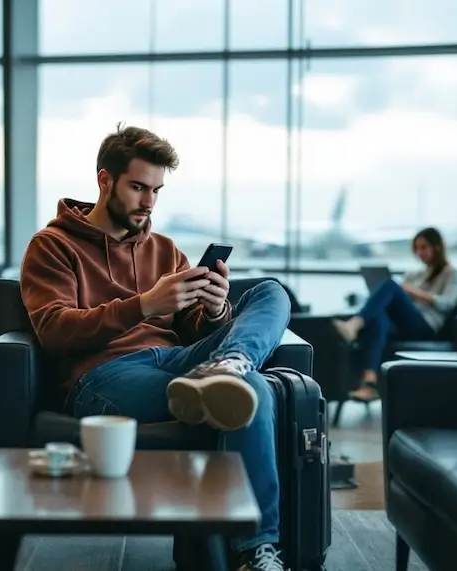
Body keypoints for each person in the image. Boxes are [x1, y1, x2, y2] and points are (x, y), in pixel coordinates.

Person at [20, 124, 292, 571]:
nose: (148, 202)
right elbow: (54, 331)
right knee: (255, 393)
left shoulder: (165, 250)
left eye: (157, 190)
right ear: (105, 181)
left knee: (270, 293)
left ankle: (232, 363)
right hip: (106, 375)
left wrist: (217, 308)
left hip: (179, 362)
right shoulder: (53, 246)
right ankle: (254, 548)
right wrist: (144, 305)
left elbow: (192, 331)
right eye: (138, 187)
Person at [332, 227, 457, 401]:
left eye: (424, 247)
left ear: (437, 248)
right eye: (417, 248)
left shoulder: (453, 274)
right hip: (404, 324)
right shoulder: (414, 274)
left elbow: (446, 304)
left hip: (425, 325)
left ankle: (354, 324)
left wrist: (411, 291)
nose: (419, 252)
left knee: (391, 285)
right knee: (378, 320)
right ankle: (369, 382)